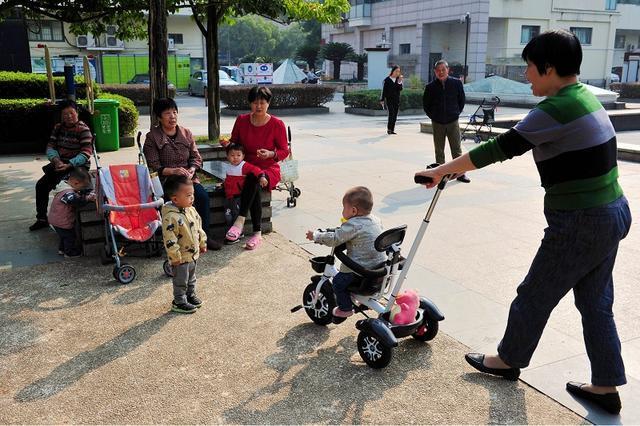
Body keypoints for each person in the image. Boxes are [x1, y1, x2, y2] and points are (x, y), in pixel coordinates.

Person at [415, 30, 632, 415]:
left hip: (582, 220)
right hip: (611, 211)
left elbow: (500, 148)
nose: (527, 75)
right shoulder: (583, 97)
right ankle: (605, 385)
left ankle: (508, 359)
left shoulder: (555, 109)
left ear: (548, 68)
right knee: (596, 301)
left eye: (530, 67)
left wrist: (442, 171)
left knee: (535, 294)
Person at [143, 97, 222, 251]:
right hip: (167, 182)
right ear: (159, 117)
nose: (172, 116)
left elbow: (196, 157)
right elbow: (153, 165)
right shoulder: (152, 137)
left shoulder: (186, 133)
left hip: (188, 180)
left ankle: (203, 238)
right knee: (172, 206)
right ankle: (175, 242)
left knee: (203, 198)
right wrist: (173, 171)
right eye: (167, 113)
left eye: (174, 112)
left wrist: (192, 169)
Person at [220, 86, 289, 250]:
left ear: (268, 103)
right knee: (252, 177)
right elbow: (234, 144)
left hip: (269, 168)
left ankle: (240, 221)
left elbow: (285, 151)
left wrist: (271, 154)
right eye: (255, 102)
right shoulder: (242, 120)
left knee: (254, 177)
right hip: (245, 166)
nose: (259, 106)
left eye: (262, 102)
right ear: (250, 103)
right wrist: (227, 144)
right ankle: (257, 233)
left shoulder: (277, 124)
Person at [306, 186, 385, 318]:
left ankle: (346, 308)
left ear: (353, 210)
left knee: (338, 282)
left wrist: (316, 236)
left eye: (344, 207)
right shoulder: (376, 220)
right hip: (378, 270)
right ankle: (358, 300)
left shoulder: (353, 225)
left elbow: (335, 238)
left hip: (360, 272)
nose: (342, 211)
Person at [30, 100, 93, 231]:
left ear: (77, 113)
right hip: (59, 164)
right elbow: (50, 146)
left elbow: (86, 153)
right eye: (65, 114)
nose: (69, 116)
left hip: (77, 167)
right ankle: (42, 218)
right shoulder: (58, 128)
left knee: (66, 192)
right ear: (61, 115)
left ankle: (69, 224)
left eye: (71, 113)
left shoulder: (83, 129)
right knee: (41, 186)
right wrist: (56, 160)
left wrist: (69, 164)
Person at [161, 175, 207, 314]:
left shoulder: (191, 210)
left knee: (191, 277)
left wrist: (202, 242)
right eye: (188, 195)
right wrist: (174, 256)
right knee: (181, 280)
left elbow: (199, 227)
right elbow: (169, 238)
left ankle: (190, 295)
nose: (192, 198)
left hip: (192, 253)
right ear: (175, 199)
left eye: (192, 194)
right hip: (180, 257)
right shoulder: (170, 216)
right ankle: (179, 301)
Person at [422, 60, 471, 183]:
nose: (441, 72)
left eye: (443, 69)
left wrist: (455, 113)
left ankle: (460, 174)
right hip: (437, 122)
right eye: (438, 70)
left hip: (452, 121)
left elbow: (462, 100)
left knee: (456, 149)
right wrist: (434, 116)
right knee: (439, 150)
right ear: (435, 72)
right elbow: (426, 105)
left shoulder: (456, 83)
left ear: (448, 70)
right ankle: (441, 174)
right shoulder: (430, 87)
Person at [47, 167, 95, 258]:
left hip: (56, 220)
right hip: (62, 221)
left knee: (63, 236)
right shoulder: (67, 193)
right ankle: (69, 252)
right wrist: (87, 198)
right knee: (69, 237)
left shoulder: (64, 186)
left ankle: (62, 249)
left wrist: (86, 192)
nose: (82, 189)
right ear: (76, 183)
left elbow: (77, 192)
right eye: (82, 187)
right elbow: (75, 201)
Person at [221, 143, 266, 235]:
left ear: (243, 156)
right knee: (228, 215)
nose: (235, 158)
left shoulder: (243, 166)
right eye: (232, 155)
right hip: (229, 197)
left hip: (238, 197)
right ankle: (230, 231)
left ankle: (238, 232)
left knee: (236, 214)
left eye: (238, 155)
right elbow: (228, 180)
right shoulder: (228, 167)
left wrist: (262, 177)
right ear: (227, 156)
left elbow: (256, 170)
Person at [380, 65, 403, 135]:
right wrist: (382, 99)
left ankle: (392, 129)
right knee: (391, 114)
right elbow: (384, 91)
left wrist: (399, 82)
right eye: (396, 71)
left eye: (399, 72)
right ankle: (389, 129)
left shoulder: (398, 79)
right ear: (393, 71)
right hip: (389, 100)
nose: (397, 73)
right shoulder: (387, 80)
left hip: (396, 100)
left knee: (395, 115)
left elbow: (400, 89)